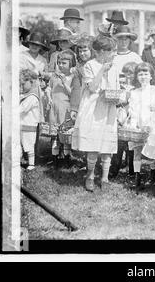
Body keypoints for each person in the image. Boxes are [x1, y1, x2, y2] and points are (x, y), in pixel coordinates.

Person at [71, 35, 120, 192]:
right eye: (112, 51)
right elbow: (92, 87)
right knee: (93, 144)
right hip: (93, 108)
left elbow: (116, 87)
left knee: (107, 144)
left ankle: (105, 177)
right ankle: (90, 175)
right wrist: (102, 70)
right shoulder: (90, 65)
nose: (114, 54)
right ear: (101, 52)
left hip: (108, 108)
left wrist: (119, 97)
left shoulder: (114, 67)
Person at [125, 62, 155, 189]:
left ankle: (153, 173)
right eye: (140, 74)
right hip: (138, 123)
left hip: (151, 124)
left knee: (151, 150)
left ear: (151, 76)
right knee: (137, 150)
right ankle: (137, 175)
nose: (143, 77)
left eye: (145, 74)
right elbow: (132, 110)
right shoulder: (134, 92)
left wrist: (153, 121)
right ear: (136, 77)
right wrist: (134, 124)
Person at [49, 50, 77, 166]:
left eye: (64, 63)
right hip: (54, 108)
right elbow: (50, 89)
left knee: (65, 135)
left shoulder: (73, 77)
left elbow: (73, 94)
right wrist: (48, 97)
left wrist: (64, 82)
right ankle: (55, 159)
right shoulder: (54, 77)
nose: (60, 65)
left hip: (65, 109)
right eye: (59, 62)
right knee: (54, 135)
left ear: (71, 64)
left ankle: (66, 159)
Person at [20, 31, 49, 122]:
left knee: (37, 114)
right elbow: (20, 73)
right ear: (29, 44)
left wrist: (44, 78)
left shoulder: (43, 60)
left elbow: (45, 75)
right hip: (25, 88)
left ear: (41, 47)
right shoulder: (22, 56)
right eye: (32, 44)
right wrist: (35, 73)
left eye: (37, 45)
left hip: (39, 90)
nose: (34, 46)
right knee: (25, 113)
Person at [69, 33, 95, 120]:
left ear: (92, 50)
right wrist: (74, 108)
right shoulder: (79, 67)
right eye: (80, 51)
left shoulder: (97, 64)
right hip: (83, 100)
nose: (82, 54)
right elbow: (76, 89)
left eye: (85, 51)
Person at [20, 69, 41, 170]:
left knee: (28, 144)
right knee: (20, 143)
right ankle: (18, 160)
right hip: (21, 125)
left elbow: (22, 109)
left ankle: (31, 164)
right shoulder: (24, 95)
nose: (21, 87)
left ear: (31, 82)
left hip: (29, 125)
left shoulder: (32, 97)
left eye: (23, 85)